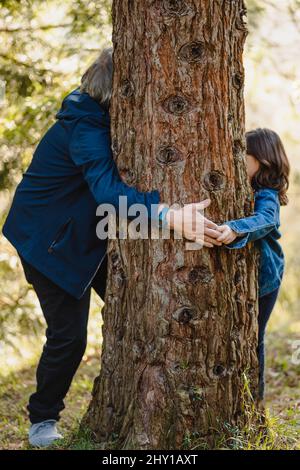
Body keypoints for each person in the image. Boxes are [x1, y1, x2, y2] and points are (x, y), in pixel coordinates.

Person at [2, 46, 220, 447]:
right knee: (69, 336)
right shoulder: (85, 128)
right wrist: (168, 214)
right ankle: (42, 420)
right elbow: (106, 194)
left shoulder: (96, 115)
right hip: (48, 244)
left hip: (80, 235)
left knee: (135, 306)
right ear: (117, 91)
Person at [217, 128, 290, 403]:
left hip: (267, 278)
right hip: (252, 277)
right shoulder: (243, 187)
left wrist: (234, 229)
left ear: (262, 159)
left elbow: (267, 219)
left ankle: (255, 400)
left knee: (254, 336)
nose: (238, 160)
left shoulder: (266, 193)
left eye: (243, 155)